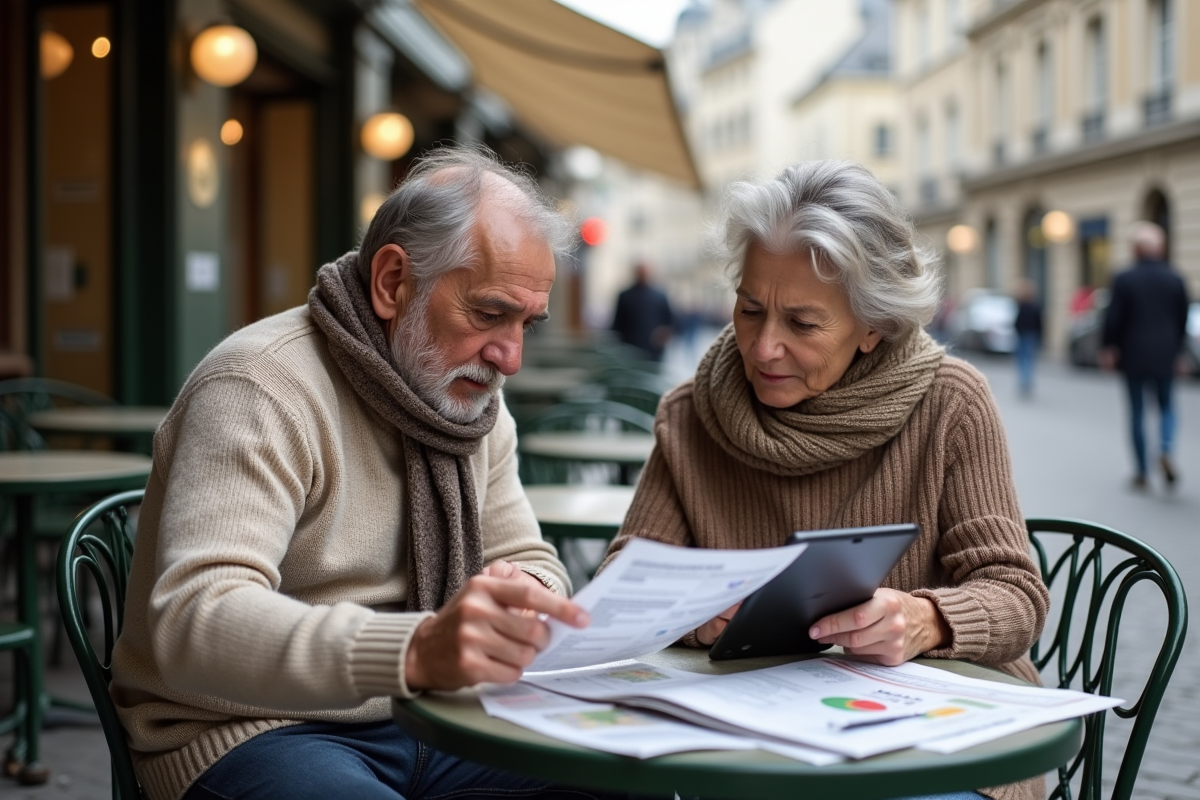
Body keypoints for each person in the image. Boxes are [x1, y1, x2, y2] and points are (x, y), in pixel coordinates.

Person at [109, 146, 629, 800]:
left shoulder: (473, 407)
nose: (511, 357)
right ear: (392, 283)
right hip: (245, 727)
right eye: (490, 313)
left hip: (432, 717)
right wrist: (416, 650)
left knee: (626, 777)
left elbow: (527, 552)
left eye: (527, 323)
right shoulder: (260, 386)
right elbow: (196, 621)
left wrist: (516, 589)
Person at [603, 161, 1049, 800]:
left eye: (802, 324)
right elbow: (626, 576)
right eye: (750, 309)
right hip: (749, 737)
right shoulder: (691, 412)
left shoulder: (951, 402)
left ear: (874, 325)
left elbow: (1016, 596)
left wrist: (926, 619)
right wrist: (688, 609)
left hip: (926, 745)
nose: (762, 348)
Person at [1101, 221, 1190, 490]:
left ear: (1136, 249)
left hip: (1133, 353)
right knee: (1166, 407)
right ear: (1160, 248)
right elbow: (1182, 319)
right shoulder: (1175, 279)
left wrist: (1109, 347)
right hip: (1165, 353)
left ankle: (1141, 472)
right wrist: (1180, 352)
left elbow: (1113, 317)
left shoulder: (1124, 278)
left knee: (1137, 412)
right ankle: (1164, 447)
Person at [611, 262, 674, 361]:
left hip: (654, 350)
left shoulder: (660, 296)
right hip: (630, 350)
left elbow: (670, 321)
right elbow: (617, 324)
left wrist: (663, 335)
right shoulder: (625, 296)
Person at [1012, 278, 1043, 397]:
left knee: (1022, 359)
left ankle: (1024, 380)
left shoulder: (1022, 306)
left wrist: (1017, 331)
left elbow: (1017, 322)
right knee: (1028, 359)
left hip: (1023, 335)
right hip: (1031, 335)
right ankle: (1026, 380)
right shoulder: (1035, 306)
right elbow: (1039, 323)